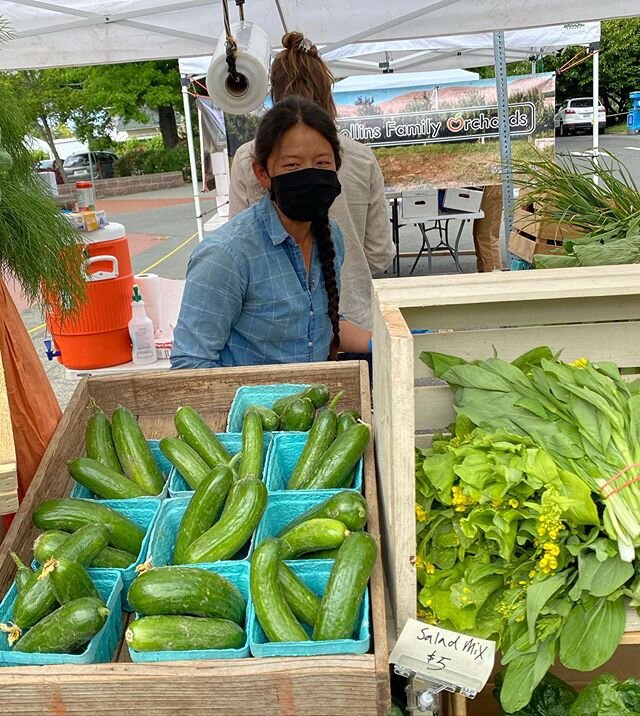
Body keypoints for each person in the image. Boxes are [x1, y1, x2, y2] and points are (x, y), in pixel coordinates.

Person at [171, 97, 371, 369]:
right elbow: (190, 364)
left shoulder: (331, 235)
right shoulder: (226, 255)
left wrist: (381, 341)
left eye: (322, 163)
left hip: (313, 405)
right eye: (292, 166)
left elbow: (319, 329)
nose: (310, 175)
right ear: (262, 173)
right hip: (250, 410)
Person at [229, 31, 394, 331]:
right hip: (356, 316)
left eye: (321, 164)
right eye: (292, 165)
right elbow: (379, 253)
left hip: (279, 330)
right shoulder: (360, 156)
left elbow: (238, 253)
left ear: (274, 93)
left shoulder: (249, 156)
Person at [472, 184, 504, 272]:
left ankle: (494, 272)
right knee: (479, 234)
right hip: (487, 184)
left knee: (487, 235)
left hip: (491, 184)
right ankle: (483, 271)